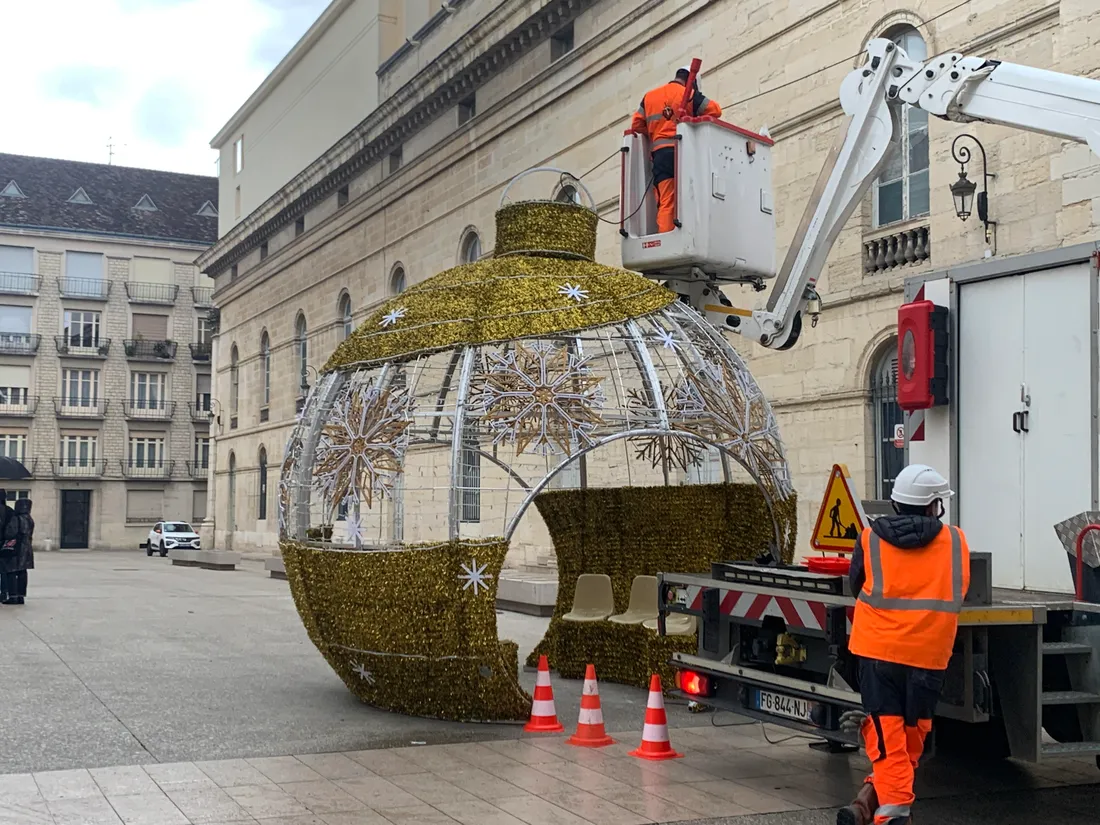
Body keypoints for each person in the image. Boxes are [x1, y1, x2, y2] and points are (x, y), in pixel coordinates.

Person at [838, 464, 971, 825]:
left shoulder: (869, 539)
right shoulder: (956, 541)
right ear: (933, 506)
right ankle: (882, 806)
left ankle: (889, 810)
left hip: (877, 653)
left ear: (895, 502)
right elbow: (960, 588)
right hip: (929, 655)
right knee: (911, 737)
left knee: (889, 737)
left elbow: (856, 585)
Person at [630, 66, 722, 233]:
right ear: (692, 83)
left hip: (661, 155)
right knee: (690, 195)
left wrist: (655, 132)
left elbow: (636, 124)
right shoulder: (689, 94)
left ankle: (666, 236)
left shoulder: (650, 97)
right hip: (684, 153)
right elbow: (715, 110)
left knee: (666, 200)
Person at [1, 498, 33, 605]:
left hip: (16, 548)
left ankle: (13, 596)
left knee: (11, 571)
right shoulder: (29, 519)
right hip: (27, 548)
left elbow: (10, 533)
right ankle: (21, 596)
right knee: (22, 572)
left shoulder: (16, 519)